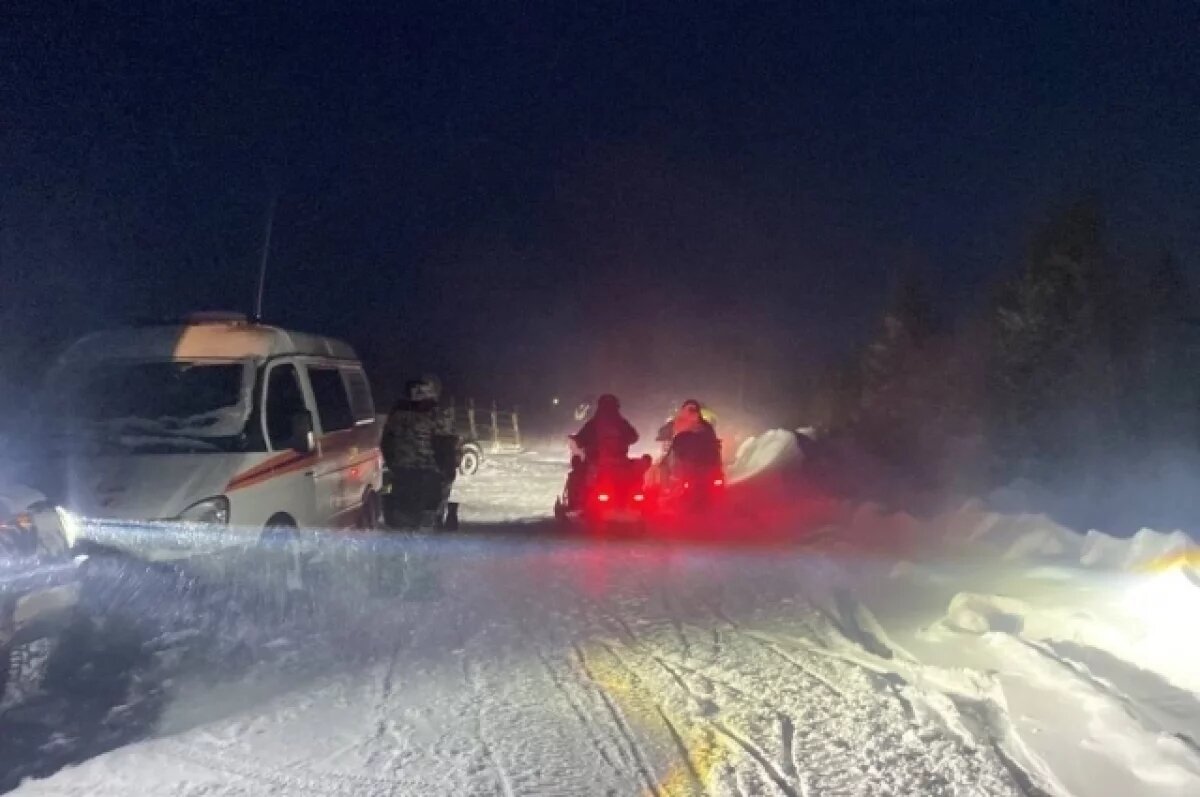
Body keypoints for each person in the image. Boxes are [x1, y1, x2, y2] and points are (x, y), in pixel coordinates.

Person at [381, 375, 459, 529]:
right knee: (426, 524)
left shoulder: (397, 413)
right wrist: (447, 473)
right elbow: (446, 447)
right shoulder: (438, 414)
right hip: (428, 477)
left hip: (402, 475)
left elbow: (386, 443)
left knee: (402, 523)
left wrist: (394, 465)